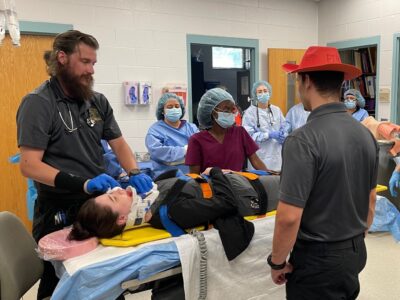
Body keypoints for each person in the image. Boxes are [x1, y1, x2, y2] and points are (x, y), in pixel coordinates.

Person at [16, 30, 153, 299]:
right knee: (59, 284)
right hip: (58, 210)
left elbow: (119, 144)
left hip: (97, 208)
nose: (91, 70)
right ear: (62, 58)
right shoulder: (38, 103)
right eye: (85, 62)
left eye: (93, 63)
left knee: (106, 280)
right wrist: (84, 183)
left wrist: (134, 171)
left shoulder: (96, 101)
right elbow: (29, 166)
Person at [268, 46, 379, 299]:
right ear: (340, 83)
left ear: (305, 81)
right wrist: (352, 239)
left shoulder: (303, 139)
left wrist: (277, 262)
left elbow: (288, 217)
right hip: (354, 251)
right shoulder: (364, 134)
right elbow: (370, 199)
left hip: (318, 260)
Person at [68, 167, 281, 260]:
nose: (118, 190)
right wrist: (214, 172)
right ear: (123, 218)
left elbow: (179, 180)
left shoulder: (150, 195)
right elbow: (227, 203)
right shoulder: (172, 213)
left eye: (110, 192)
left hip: (247, 180)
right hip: (259, 194)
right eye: (114, 197)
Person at [186, 88, 267, 174]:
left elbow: (256, 161)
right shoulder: (197, 140)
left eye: (232, 109)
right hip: (210, 186)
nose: (230, 113)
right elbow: (194, 176)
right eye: (226, 109)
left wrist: (270, 177)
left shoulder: (240, 133)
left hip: (238, 184)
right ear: (213, 112)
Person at [145, 93, 199, 178]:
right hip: (166, 177)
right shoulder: (155, 130)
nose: (174, 109)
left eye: (177, 106)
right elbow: (158, 152)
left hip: (193, 174)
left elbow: (200, 149)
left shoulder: (191, 128)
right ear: (162, 111)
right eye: (170, 107)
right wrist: (184, 151)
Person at [242, 81, 288, 172]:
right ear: (255, 95)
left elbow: (285, 127)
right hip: (259, 158)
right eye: (260, 92)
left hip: (277, 158)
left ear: (269, 92)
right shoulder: (249, 113)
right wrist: (268, 135)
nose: (263, 93)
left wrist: (283, 136)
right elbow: (248, 137)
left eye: (265, 91)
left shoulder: (276, 110)